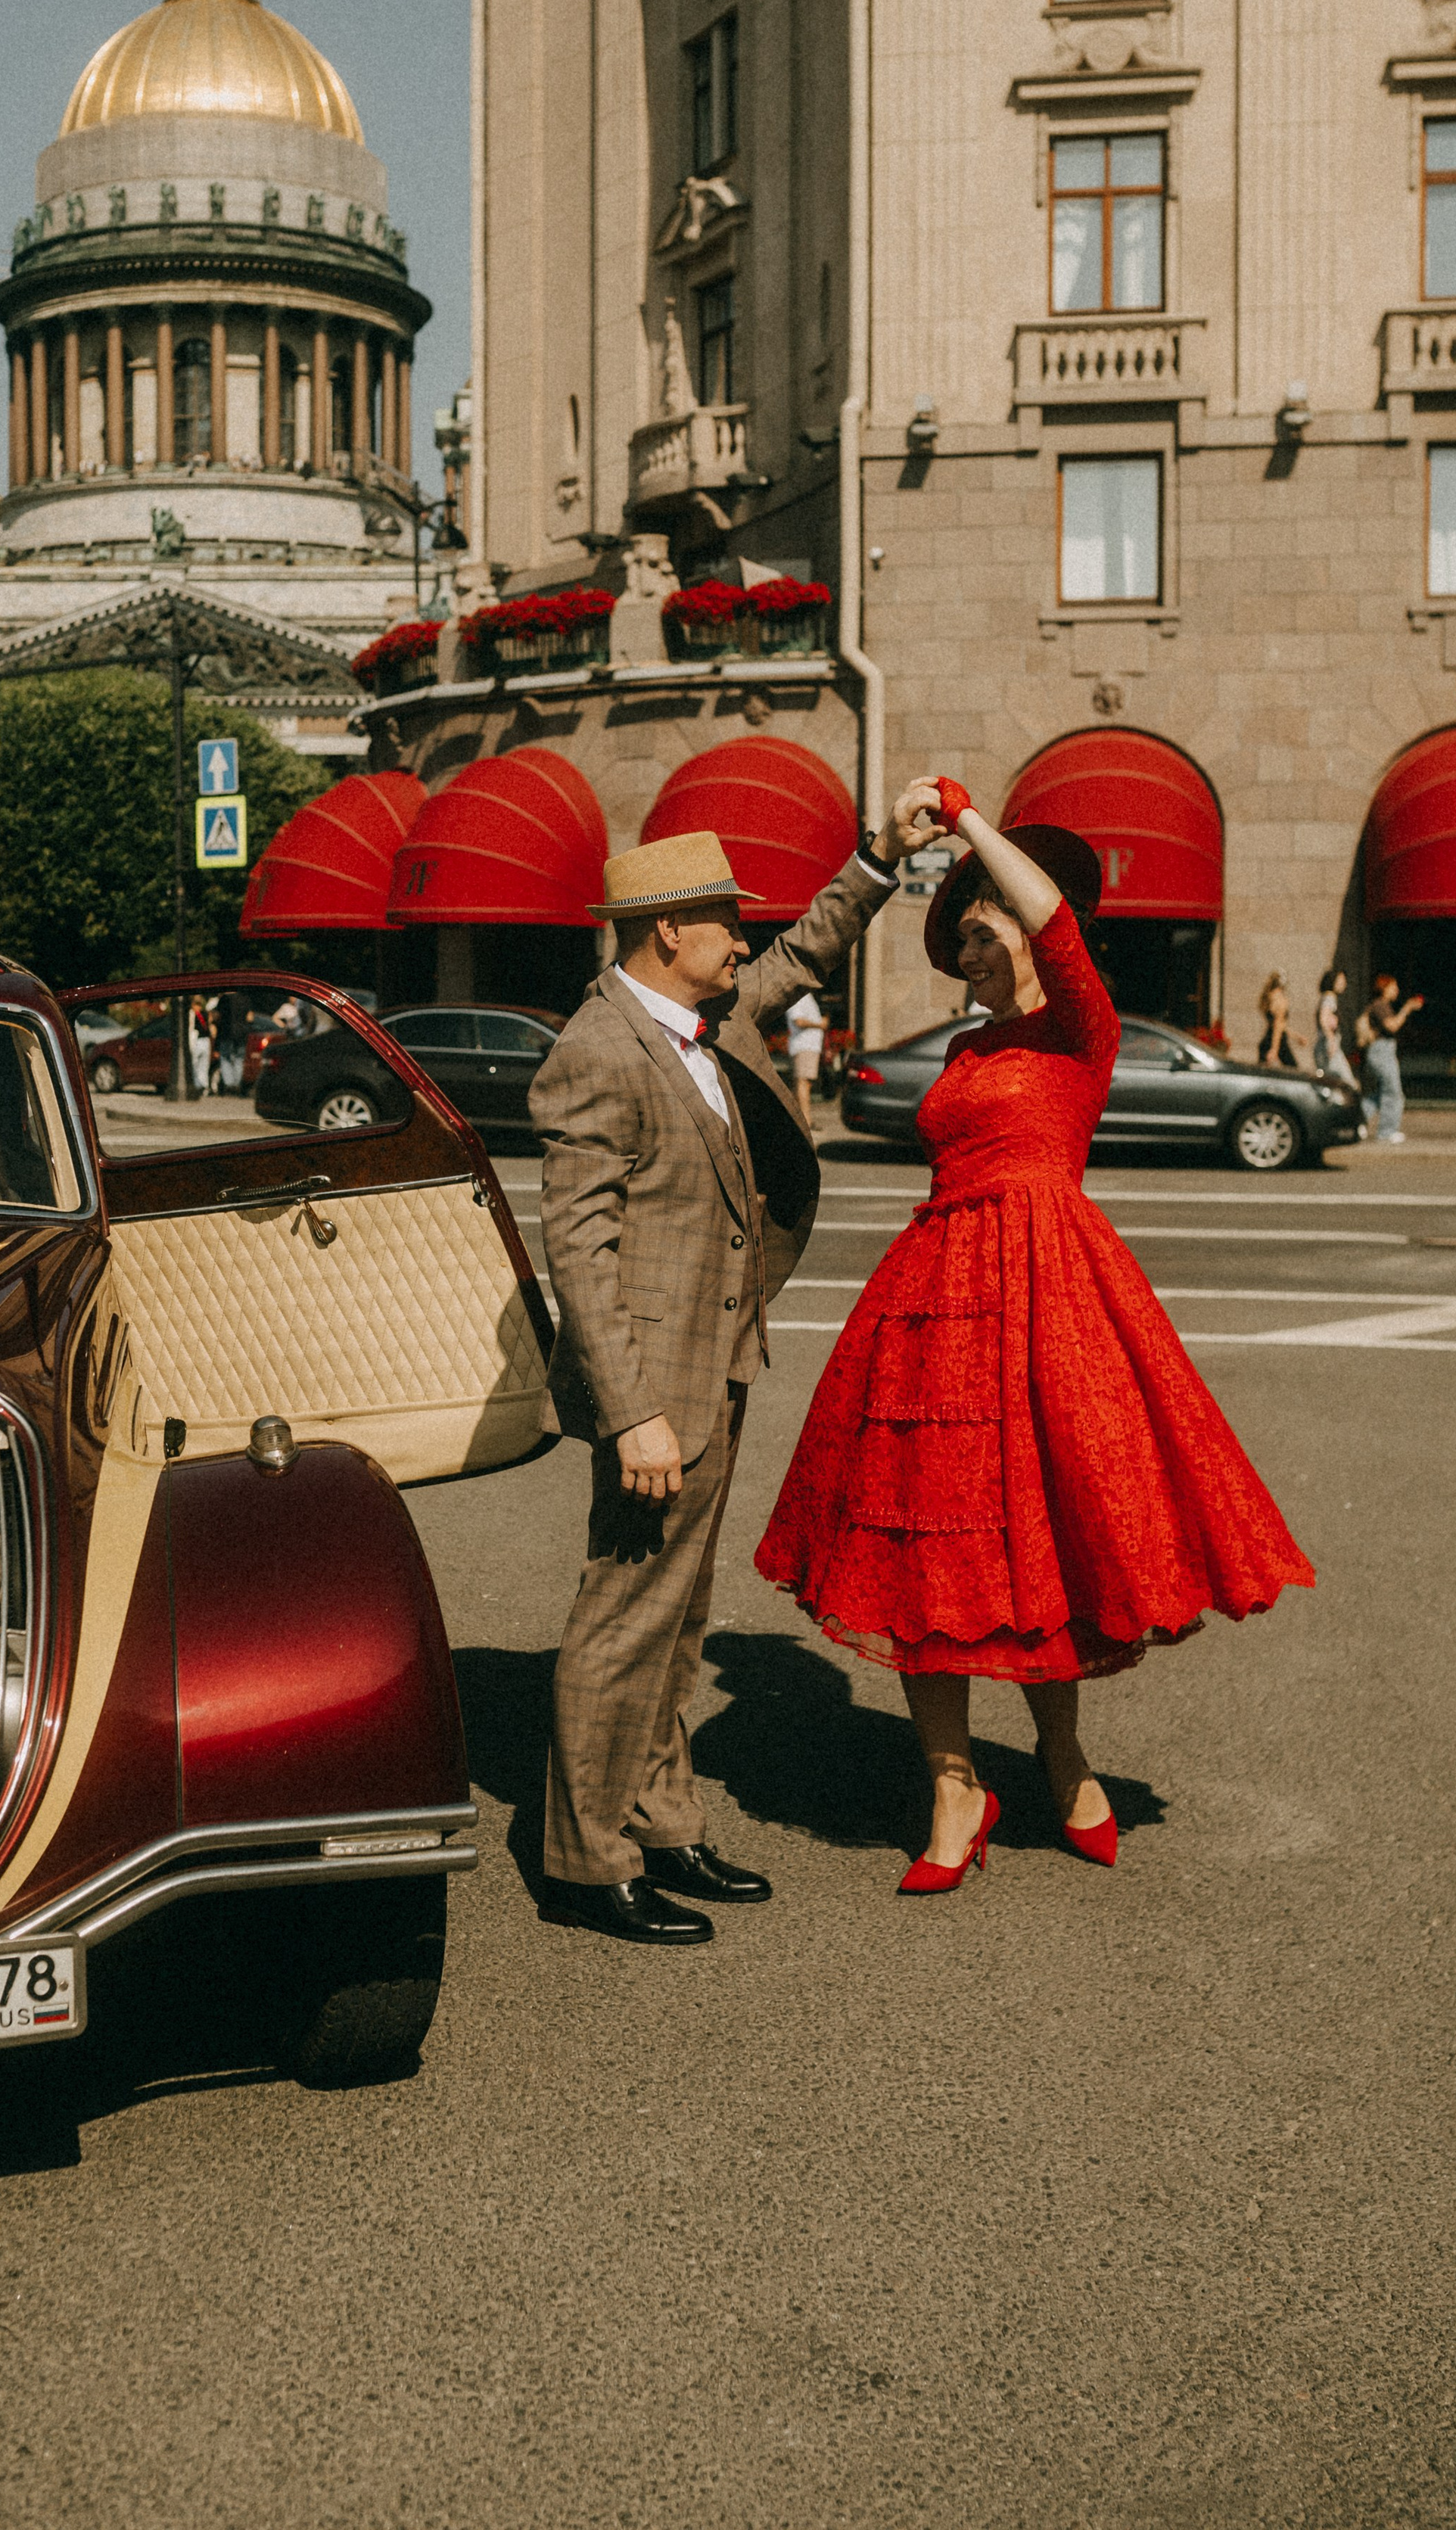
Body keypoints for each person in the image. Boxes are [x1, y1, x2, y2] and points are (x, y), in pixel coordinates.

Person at [754, 779, 1314, 1896]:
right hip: (934, 1295)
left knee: (1040, 1534)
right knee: (928, 1542)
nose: (965, 945)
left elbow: (1053, 920)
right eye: (958, 933)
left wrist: (966, 822)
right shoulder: (967, 1052)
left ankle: (1062, 1761)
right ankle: (954, 1783)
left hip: (1045, 1286)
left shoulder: (1081, 1027)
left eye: (978, 925)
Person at [530, 785, 940, 1947]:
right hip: (656, 1394)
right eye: (727, 923)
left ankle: (662, 1822)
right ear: (672, 932)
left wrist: (877, 856)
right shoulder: (598, 1049)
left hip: (718, 1361)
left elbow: (805, 951)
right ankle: (583, 1857)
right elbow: (581, 1249)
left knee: (681, 1613)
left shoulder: (702, 1021)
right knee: (622, 1618)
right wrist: (631, 1415)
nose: (743, 941)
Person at [1358, 974, 1423, 1146]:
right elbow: (1392, 1026)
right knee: (1393, 1093)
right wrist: (1407, 1009)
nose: (1397, 990)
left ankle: (1357, 1122)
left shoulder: (1381, 1006)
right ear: (1384, 988)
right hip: (1381, 1051)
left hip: (1382, 1052)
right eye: (1393, 987)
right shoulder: (1380, 1006)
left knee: (1381, 1094)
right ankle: (1387, 1132)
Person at [785, 988, 826, 1123]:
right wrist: (820, 1024)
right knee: (802, 1082)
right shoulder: (798, 996)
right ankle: (805, 1120)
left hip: (810, 1046)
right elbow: (799, 1021)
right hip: (804, 1045)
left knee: (804, 1083)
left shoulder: (806, 996)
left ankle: (797, 1118)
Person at [1315, 968, 1353, 1088]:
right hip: (1328, 1046)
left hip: (1325, 1045)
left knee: (1329, 1083)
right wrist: (1331, 1039)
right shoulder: (1329, 998)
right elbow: (1323, 1018)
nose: (1344, 984)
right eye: (1341, 981)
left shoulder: (1327, 997)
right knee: (1347, 1082)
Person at [1257, 972, 1300, 1069]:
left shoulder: (1269, 998)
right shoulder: (1281, 1000)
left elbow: (1279, 1025)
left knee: (1263, 1074)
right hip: (1278, 1042)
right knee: (1294, 1072)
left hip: (1267, 1040)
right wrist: (1274, 1049)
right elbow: (1278, 1025)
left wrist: (1296, 1037)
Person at [216, 988, 247, 1094]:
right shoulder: (244, 998)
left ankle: (229, 1084)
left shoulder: (224, 999)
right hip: (241, 1034)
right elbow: (250, 1018)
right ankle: (237, 1084)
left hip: (226, 1033)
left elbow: (218, 1017)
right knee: (239, 1059)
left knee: (225, 1058)